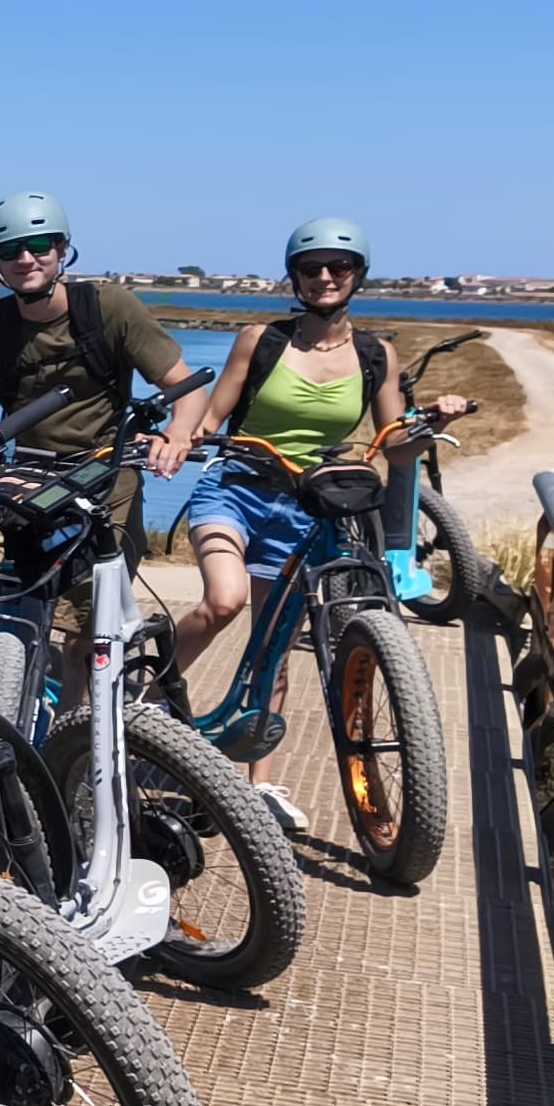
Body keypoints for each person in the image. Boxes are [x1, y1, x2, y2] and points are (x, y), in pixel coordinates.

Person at [165, 219, 466, 828]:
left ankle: (262, 785)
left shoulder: (376, 354)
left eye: (339, 267)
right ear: (294, 277)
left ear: (358, 275)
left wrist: (428, 420)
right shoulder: (261, 339)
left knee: (272, 645)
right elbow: (216, 416)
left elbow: (397, 446)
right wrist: (183, 435)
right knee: (223, 602)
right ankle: (147, 696)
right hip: (237, 488)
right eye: (311, 268)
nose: (325, 278)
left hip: (305, 507)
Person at [0, 193, 200, 688]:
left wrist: (177, 433)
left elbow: (184, 388)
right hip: (26, 474)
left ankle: (75, 740)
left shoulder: (109, 308)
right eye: (10, 250)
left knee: (90, 622)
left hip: (107, 473)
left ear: (63, 249)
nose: (26, 258)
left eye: (40, 244)